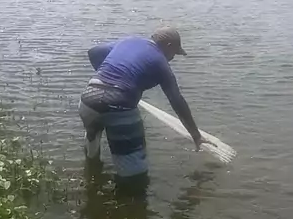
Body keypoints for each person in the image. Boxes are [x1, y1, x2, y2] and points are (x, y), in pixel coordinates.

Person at [78, 26, 204, 181]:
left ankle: (91, 178)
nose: (172, 58)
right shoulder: (160, 62)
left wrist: (108, 78)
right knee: (134, 174)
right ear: (168, 45)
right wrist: (196, 135)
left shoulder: (129, 41)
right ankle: (129, 191)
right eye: (174, 53)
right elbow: (177, 101)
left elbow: (94, 52)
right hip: (119, 106)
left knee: (92, 146)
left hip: (88, 99)